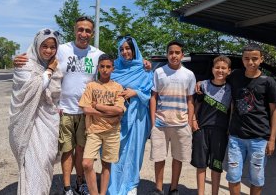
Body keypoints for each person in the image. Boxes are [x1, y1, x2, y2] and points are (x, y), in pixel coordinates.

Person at [14, 16, 103, 195]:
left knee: (82, 150)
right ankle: (67, 187)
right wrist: (16, 60)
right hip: (63, 109)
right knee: (66, 150)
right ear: (74, 30)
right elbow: (37, 57)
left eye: (87, 30)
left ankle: (80, 182)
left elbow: (109, 73)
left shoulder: (98, 54)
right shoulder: (61, 49)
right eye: (80, 29)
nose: (83, 33)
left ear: (92, 33)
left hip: (85, 112)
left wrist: (145, 66)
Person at [9, 29, 63, 195]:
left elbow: (55, 91)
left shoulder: (54, 64)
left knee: (46, 160)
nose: (48, 50)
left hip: (49, 121)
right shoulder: (25, 63)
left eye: (52, 47)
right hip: (30, 123)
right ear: (37, 45)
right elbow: (35, 87)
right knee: (34, 163)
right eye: (44, 46)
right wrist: (50, 71)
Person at [225, 43, 276, 195]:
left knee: (256, 178)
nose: (250, 62)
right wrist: (200, 82)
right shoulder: (235, 76)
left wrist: (272, 139)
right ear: (242, 60)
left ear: (261, 59)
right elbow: (218, 78)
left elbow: (274, 110)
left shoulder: (268, 82)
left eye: (255, 58)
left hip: (259, 139)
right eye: (246, 58)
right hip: (236, 137)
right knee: (233, 176)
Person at [107, 37, 154, 195]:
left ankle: (131, 184)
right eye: (122, 49)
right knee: (116, 150)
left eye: (128, 48)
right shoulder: (114, 67)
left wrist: (135, 92)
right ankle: (113, 184)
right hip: (118, 118)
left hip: (138, 118)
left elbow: (150, 92)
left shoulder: (144, 68)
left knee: (134, 150)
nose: (125, 52)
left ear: (134, 50)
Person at [150, 40, 196, 195]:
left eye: (177, 52)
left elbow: (190, 100)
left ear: (182, 55)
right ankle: (158, 188)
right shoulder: (159, 72)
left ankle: (174, 188)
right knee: (159, 157)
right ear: (167, 54)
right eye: (171, 52)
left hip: (181, 124)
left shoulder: (189, 75)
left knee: (178, 157)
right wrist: (153, 122)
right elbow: (154, 97)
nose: (174, 55)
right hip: (160, 123)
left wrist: (189, 123)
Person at [79, 54, 126, 195]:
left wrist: (98, 106)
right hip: (94, 130)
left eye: (108, 66)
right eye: (102, 66)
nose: (105, 69)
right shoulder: (91, 86)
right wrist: (108, 113)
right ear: (98, 68)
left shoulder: (117, 87)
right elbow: (86, 108)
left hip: (112, 131)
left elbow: (119, 110)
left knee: (106, 164)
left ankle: (103, 193)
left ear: (113, 68)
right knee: (86, 164)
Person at [191, 55, 232, 195]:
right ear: (213, 69)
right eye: (217, 67)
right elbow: (197, 104)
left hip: (220, 133)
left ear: (229, 71)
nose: (220, 70)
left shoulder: (231, 88)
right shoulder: (203, 85)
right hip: (201, 130)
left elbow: (233, 111)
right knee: (201, 164)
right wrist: (194, 120)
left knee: (216, 165)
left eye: (223, 68)